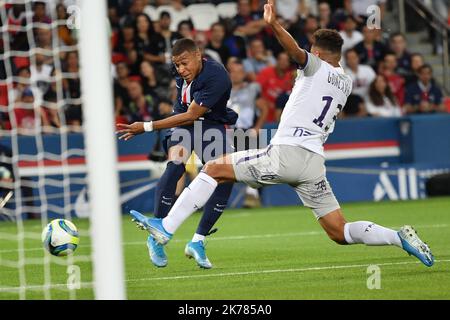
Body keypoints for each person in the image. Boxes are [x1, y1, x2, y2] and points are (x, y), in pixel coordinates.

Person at [129, 0, 434, 269]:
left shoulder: (317, 67)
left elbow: (294, 52)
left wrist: (274, 25)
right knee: (339, 231)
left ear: (317, 53)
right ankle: (398, 237)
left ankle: (166, 228)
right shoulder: (346, 81)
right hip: (313, 164)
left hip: (286, 152)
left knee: (213, 167)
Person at [117, 38, 238, 269]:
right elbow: (186, 114)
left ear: (198, 54)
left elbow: (193, 114)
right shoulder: (182, 75)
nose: (181, 70)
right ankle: (156, 236)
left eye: (184, 63)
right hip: (183, 123)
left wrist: (147, 126)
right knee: (176, 164)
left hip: (209, 124)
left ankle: (198, 242)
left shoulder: (216, 75)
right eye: (177, 65)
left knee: (226, 177)